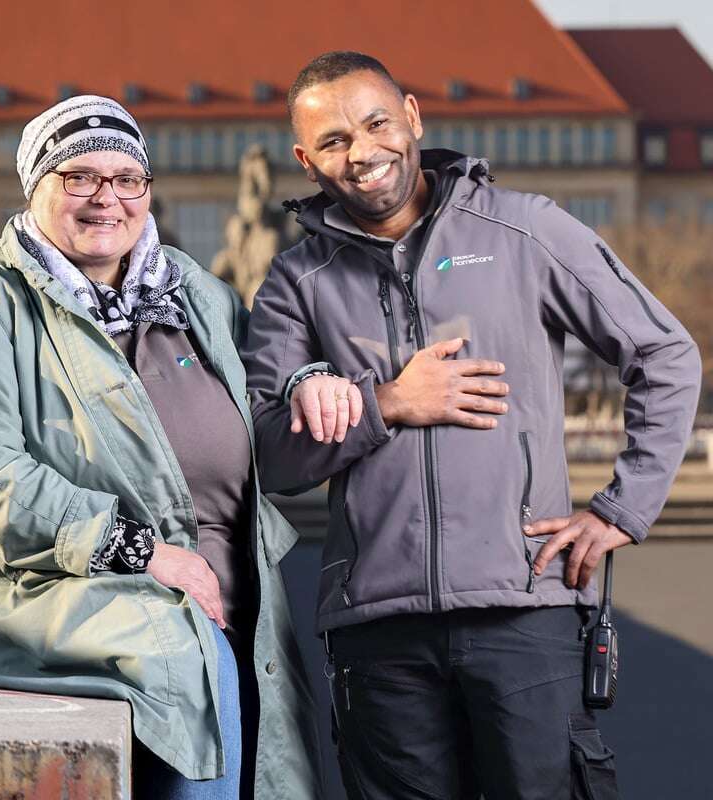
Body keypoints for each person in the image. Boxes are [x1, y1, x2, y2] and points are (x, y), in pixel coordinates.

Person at [242, 51, 701, 799]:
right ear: (305, 158)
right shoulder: (298, 283)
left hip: (524, 611)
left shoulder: (523, 229)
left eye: (376, 123)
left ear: (413, 116)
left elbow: (665, 352)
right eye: (332, 142)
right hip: (377, 631)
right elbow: (269, 453)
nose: (361, 153)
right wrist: (387, 402)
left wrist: (623, 509)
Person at [0, 95, 322, 799]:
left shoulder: (198, 295)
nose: (108, 199)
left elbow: (269, 395)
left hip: (238, 608)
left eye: (127, 178)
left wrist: (314, 381)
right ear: (36, 186)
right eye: (80, 178)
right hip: (54, 588)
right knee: (187, 667)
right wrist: (142, 552)